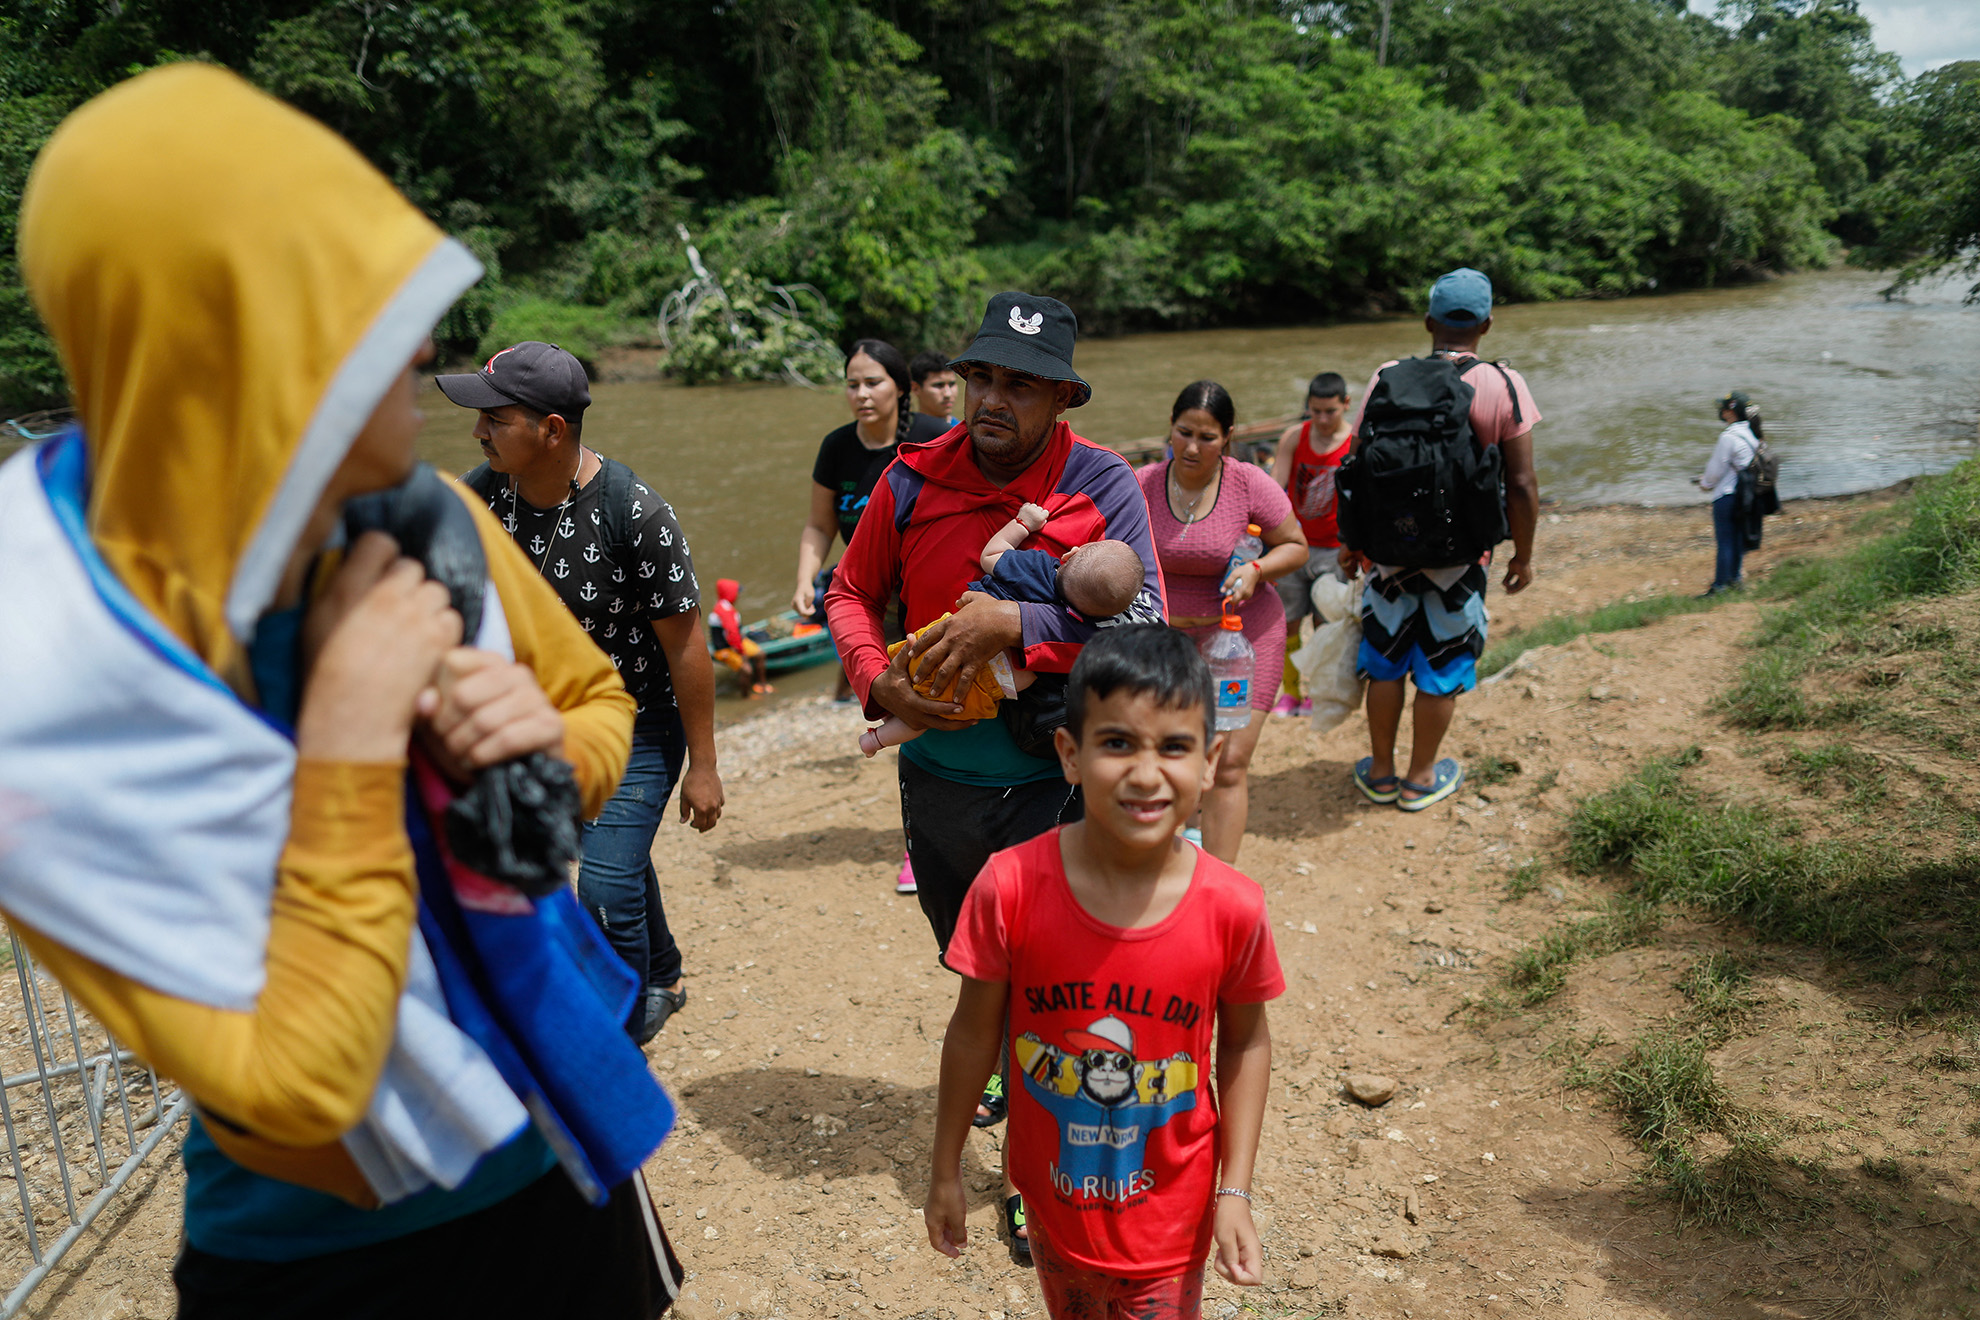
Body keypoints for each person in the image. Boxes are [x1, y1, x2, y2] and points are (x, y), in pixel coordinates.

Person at [0, 65, 680, 1316]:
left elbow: (593, 704)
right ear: (239, 352)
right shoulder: (34, 680)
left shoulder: (416, 519)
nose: (423, 343)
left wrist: (531, 755)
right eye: (365, 308)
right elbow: (297, 1088)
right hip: (319, 1248)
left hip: (548, 1128)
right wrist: (356, 739)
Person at [825, 291, 1165, 1260]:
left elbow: (1139, 624)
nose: (993, 399)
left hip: (1050, 779)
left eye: (1020, 384)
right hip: (933, 778)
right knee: (973, 971)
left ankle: (1031, 1172)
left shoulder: (1103, 484)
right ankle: (1021, 1094)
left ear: (1060, 396)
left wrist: (1016, 625)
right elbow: (850, 591)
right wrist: (873, 673)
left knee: (1043, 988)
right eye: (982, 377)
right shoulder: (910, 479)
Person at [923, 625, 1281, 1316]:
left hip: (1172, 1220)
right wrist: (945, 1168)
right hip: (1052, 1208)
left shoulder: (1233, 908)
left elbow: (1243, 1041)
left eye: (1173, 747)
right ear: (1070, 754)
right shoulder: (1010, 888)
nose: (1146, 773)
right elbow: (972, 1036)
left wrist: (1233, 1190)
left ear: (1210, 762)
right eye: (1117, 742)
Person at [444, 341, 725, 1044]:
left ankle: (618, 1030)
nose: (478, 431)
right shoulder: (482, 496)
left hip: (640, 721)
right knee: (613, 863)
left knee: (599, 885)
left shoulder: (635, 515)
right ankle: (662, 974)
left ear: (553, 429)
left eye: (495, 418)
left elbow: (687, 644)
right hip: (543, 720)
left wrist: (705, 765)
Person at [1343, 266, 1541, 812]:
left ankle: (1380, 772)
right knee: (1444, 662)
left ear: (1428, 321)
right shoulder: (1503, 384)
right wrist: (1522, 555)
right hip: (1461, 559)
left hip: (1387, 556)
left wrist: (1351, 541)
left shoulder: (1388, 375)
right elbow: (1521, 484)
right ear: (1487, 325)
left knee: (1385, 661)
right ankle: (1421, 777)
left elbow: (1356, 465)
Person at [794, 338, 949, 894]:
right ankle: (920, 844)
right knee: (902, 717)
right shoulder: (837, 448)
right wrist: (804, 577)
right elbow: (818, 523)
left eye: (874, 383)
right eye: (853, 383)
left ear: (901, 388)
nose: (861, 394)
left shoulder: (931, 437)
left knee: (939, 714)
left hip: (934, 599)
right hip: (871, 601)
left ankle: (941, 835)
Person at [1136, 381, 1307, 863]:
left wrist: (1257, 569)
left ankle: (1220, 886)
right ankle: (1167, 863)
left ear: (1227, 438)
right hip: (1168, 644)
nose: (1192, 447)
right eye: (1183, 432)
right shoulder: (1142, 483)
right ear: (1169, 428)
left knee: (1228, 763)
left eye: (1206, 437)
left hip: (1243, 639)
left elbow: (1295, 545)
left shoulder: (1248, 483)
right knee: (1173, 755)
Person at [857, 504, 1145, 755]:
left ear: (1068, 556)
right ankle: (878, 740)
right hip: (997, 679)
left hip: (952, 637)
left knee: (914, 678)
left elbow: (991, 555)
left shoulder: (1037, 567)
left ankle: (881, 727)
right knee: (923, 715)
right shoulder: (1076, 620)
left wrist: (1023, 524)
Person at [1270, 372, 1354, 718]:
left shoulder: (1354, 442)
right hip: (1295, 545)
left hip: (1334, 550)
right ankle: (1290, 693)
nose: (1321, 419)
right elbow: (1274, 491)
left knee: (1326, 628)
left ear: (1345, 405)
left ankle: (1319, 694)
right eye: (1315, 411)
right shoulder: (1295, 437)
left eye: (1329, 412)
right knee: (1287, 624)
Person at [1699, 390, 1763, 596]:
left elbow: (1715, 471)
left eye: (1723, 408)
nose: (1720, 411)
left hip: (1727, 496)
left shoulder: (1729, 436)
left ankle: (1720, 586)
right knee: (1737, 539)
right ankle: (1735, 580)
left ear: (1730, 412)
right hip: (1746, 496)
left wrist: (1705, 484)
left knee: (1725, 540)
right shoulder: (1753, 435)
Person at [709, 578, 773, 696]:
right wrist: (742, 654)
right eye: (737, 592)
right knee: (746, 670)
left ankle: (761, 685)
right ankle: (746, 696)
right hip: (724, 648)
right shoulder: (725, 612)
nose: (738, 595)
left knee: (760, 654)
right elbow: (732, 634)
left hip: (735, 643)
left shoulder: (724, 606)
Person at [910, 349, 961, 427]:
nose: (948, 394)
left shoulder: (965, 434)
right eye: (939, 385)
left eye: (952, 384)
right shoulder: (903, 433)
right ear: (915, 388)